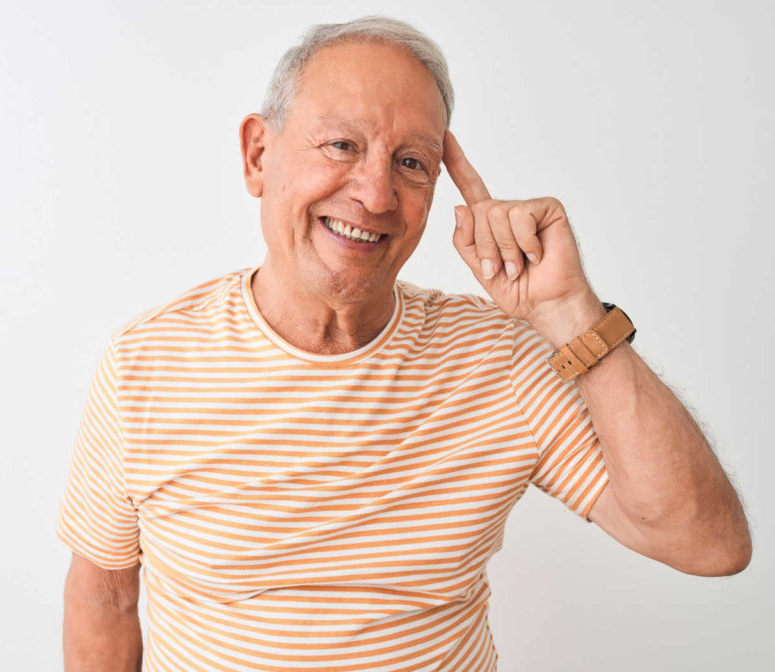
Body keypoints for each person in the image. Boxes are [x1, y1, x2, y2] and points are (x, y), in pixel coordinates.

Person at [57, 16, 752, 671]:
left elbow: (708, 544)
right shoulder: (145, 364)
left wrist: (574, 314)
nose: (376, 192)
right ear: (259, 155)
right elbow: (104, 594)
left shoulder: (501, 361)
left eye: (413, 162)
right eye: (343, 145)